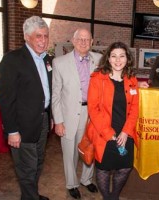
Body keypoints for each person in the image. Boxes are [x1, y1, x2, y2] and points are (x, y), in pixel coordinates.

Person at [0, 16, 52, 200]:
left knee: (38, 162)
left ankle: (31, 196)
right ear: (26, 37)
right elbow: (5, 100)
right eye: (38, 36)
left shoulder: (47, 59)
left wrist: (49, 116)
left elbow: (46, 91)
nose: (43, 41)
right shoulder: (12, 60)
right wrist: (12, 130)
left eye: (45, 36)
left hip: (43, 121)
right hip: (22, 126)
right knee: (26, 167)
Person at [52, 28, 101, 199]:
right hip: (69, 114)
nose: (83, 42)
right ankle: (71, 184)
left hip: (93, 112)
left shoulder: (100, 60)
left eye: (87, 39)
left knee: (90, 146)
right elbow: (56, 95)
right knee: (70, 151)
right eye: (79, 39)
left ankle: (86, 180)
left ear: (92, 42)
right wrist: (58, 121)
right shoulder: (59, 63)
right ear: (72, 41)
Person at [87, 42, 139, 200]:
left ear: (127, 59)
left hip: (125, 133)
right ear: (108, 58)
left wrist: (125, 131)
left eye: (122, 56)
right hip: (104, 133)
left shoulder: (132, 80)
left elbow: (135, 108)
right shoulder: (97, 78)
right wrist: (109, 133)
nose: (118, 60)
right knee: (103, 170)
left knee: (125, 168)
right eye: (114, 56)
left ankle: (113, 196)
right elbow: (93, 108)